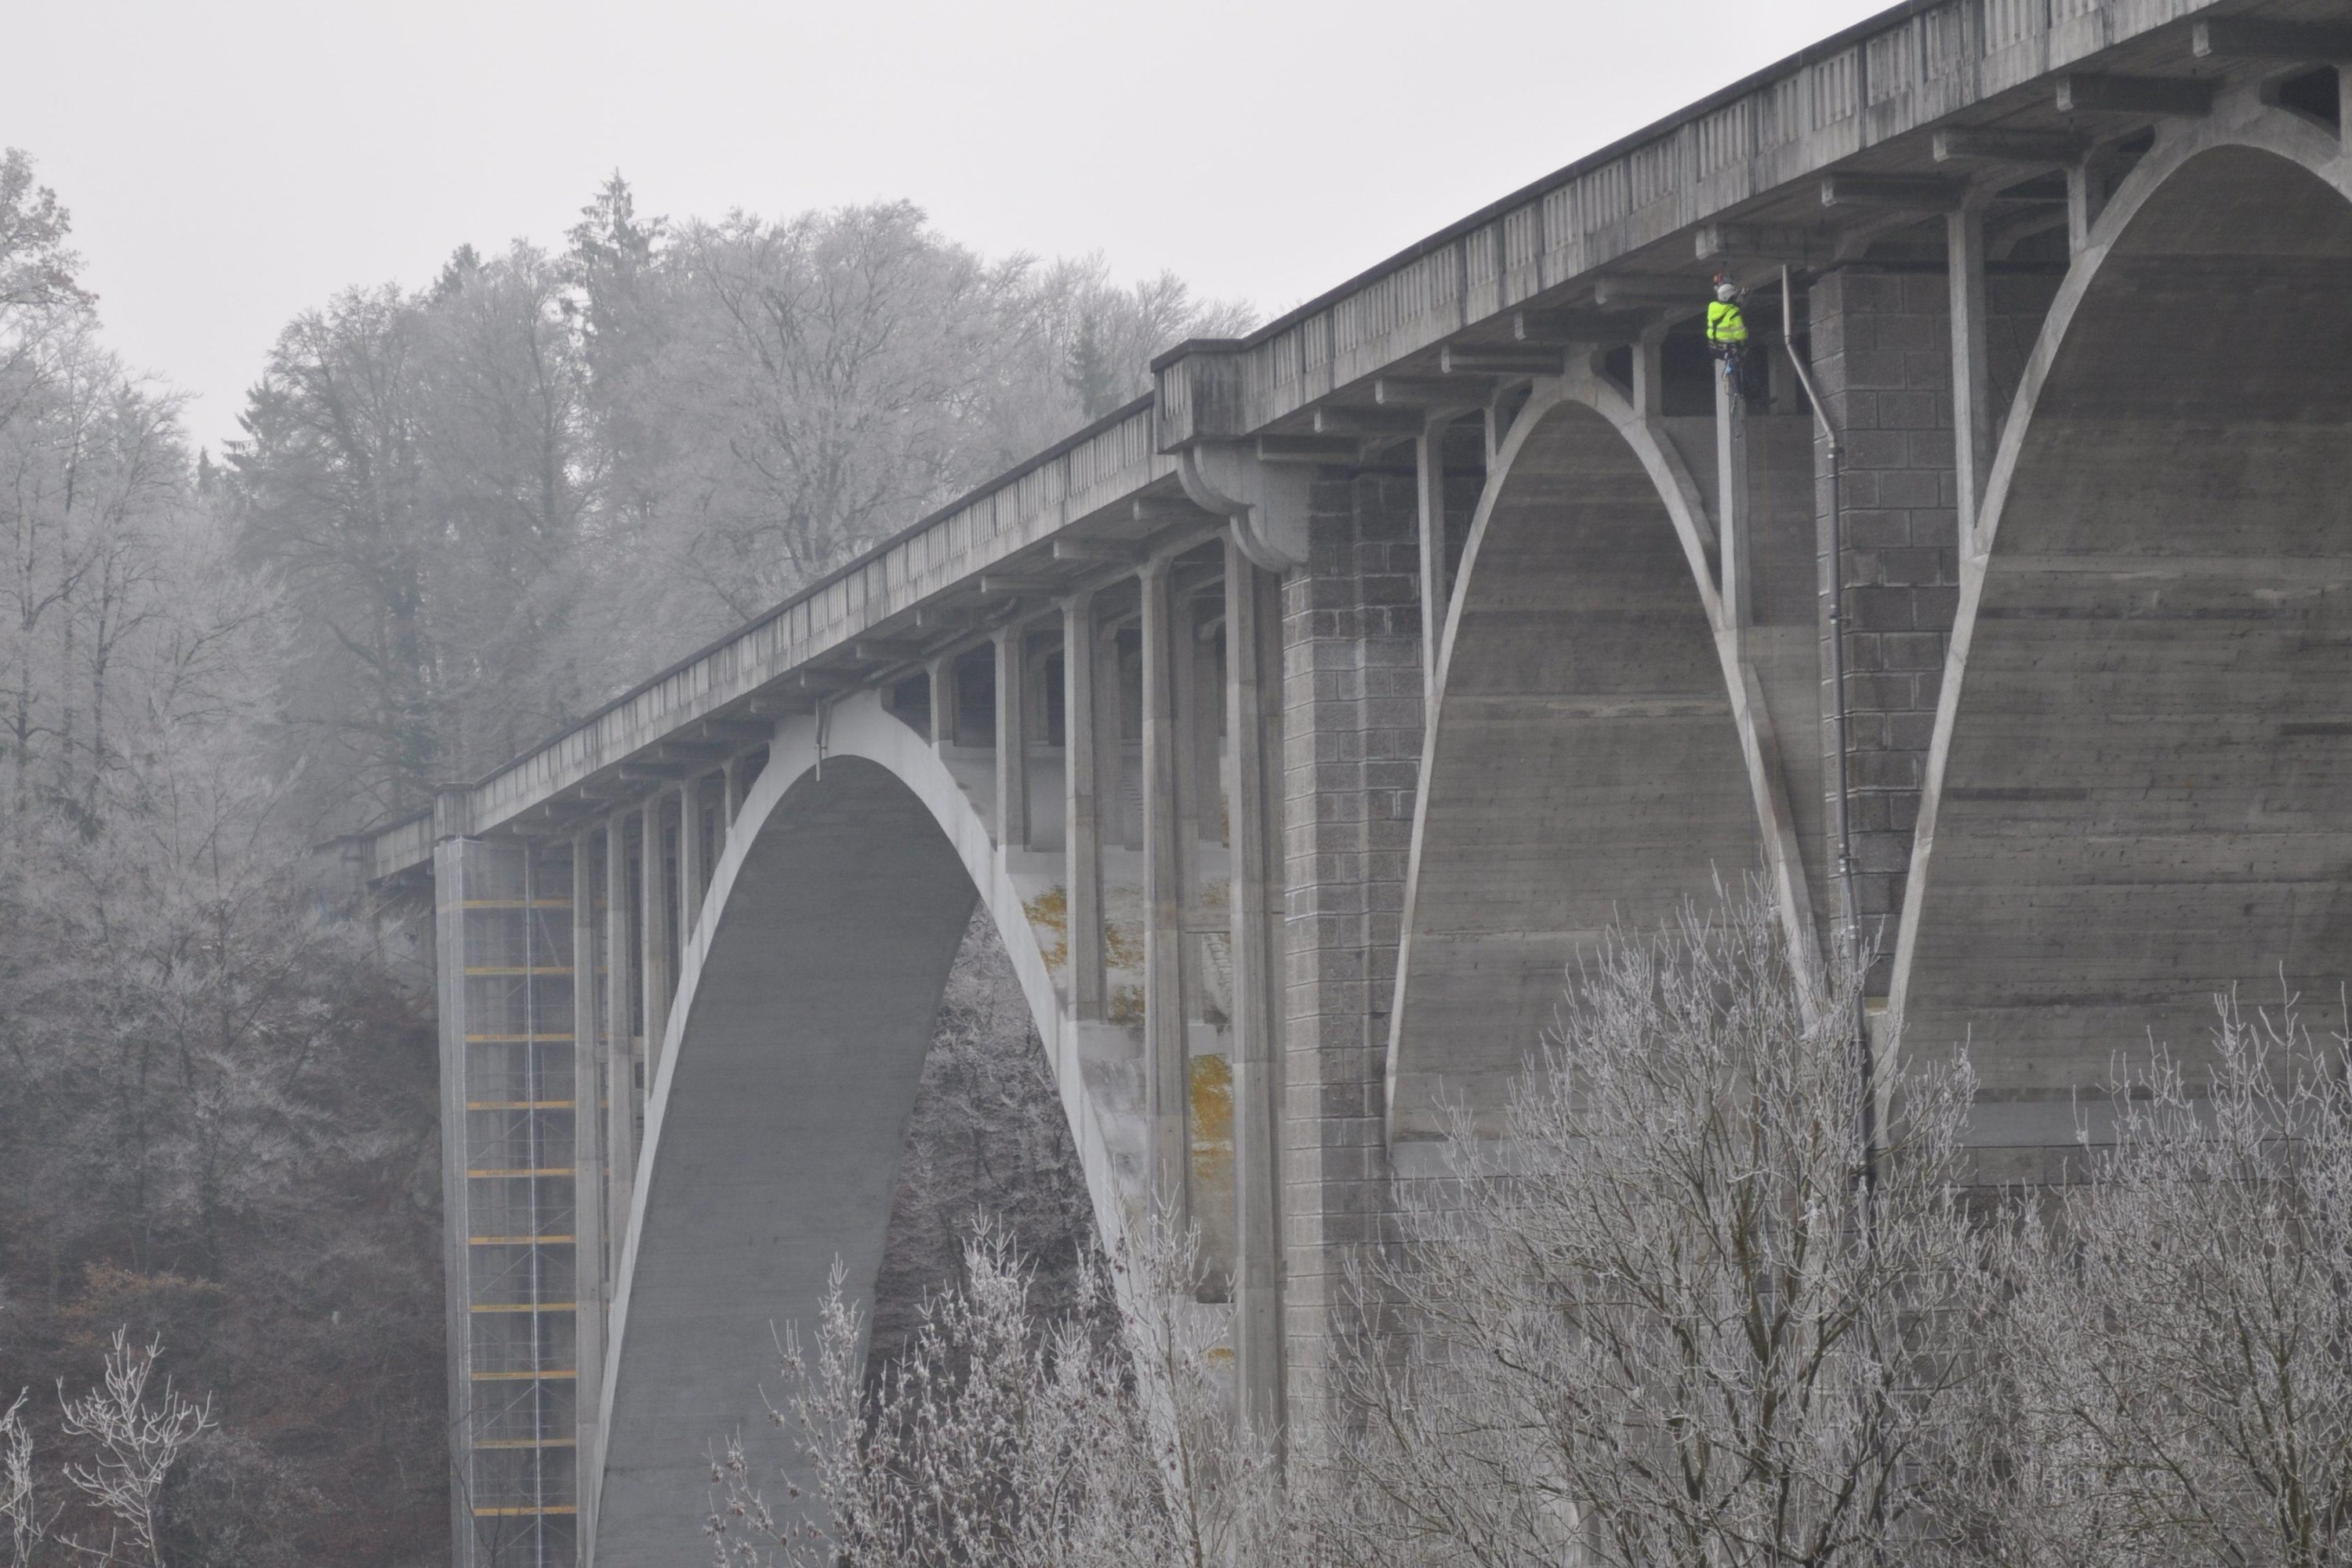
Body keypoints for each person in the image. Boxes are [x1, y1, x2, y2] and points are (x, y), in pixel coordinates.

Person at [1705, 278, 1749, 385]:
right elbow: (1741, 335)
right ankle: (1754, 396)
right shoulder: (1734, 314)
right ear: (1730, 297)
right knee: (1748, 365)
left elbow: (1728, 308)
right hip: (1728, 350)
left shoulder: (1712, 307)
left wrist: (1741, 296)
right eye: (1733, 297)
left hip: (1713, 348)